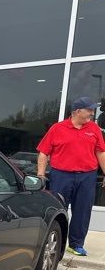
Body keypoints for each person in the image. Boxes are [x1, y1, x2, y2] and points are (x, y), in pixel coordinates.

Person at [37, 96, 105, 256]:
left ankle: (76, 244)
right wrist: (40, 174)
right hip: (61, 175)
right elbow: (43, 153)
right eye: (89, 110)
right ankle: (52, 241)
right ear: (77, 111)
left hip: (87, 176)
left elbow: (100, 152)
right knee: (57, 210)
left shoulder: (94, 129)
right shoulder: (57, 128)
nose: (91, 112)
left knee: (83, 211)